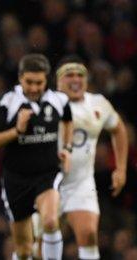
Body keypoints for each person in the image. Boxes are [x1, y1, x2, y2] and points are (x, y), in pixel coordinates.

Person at [0, 53, 72, 260]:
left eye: (39, 82)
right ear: (20, 77)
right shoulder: (8, 102)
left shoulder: (59, 100)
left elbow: (68, 120)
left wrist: (66, 148)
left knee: (50, 221)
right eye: (29, 82)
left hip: (48, 174)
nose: (34, 88)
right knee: (24, 250)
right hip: (16, 179)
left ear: (47, 80)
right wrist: (17, 130)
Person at [54, 59, 128, 259]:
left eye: (80, 75)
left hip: (81, 182)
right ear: (58, 82)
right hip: (48, 182)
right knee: (40, 240)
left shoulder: (98, 103)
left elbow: (119, 129)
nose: (76, 79)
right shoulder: (46, 103)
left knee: (88, 235)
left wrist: (121, 169)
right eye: (69, 75)